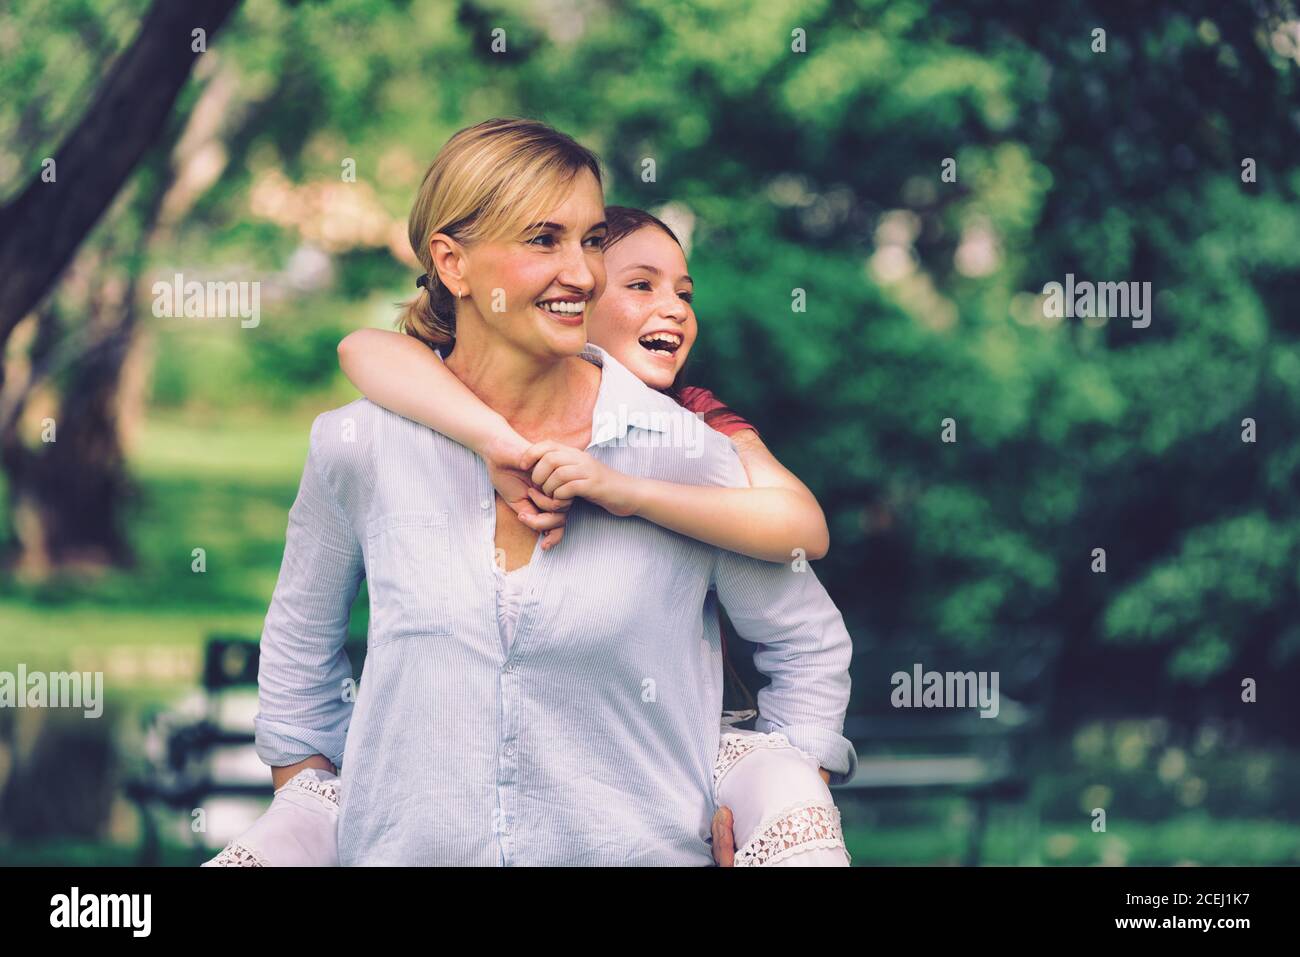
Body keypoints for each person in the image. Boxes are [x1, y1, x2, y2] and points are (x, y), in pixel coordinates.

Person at [216, 117, 854, 866]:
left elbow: (806, 643)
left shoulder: (679, 451)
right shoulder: (360, 448)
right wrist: (310, 802)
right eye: (543, 240)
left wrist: (776, 795)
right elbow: (297, 660)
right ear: (452, 264)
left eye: (588, 241)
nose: (582, 274)